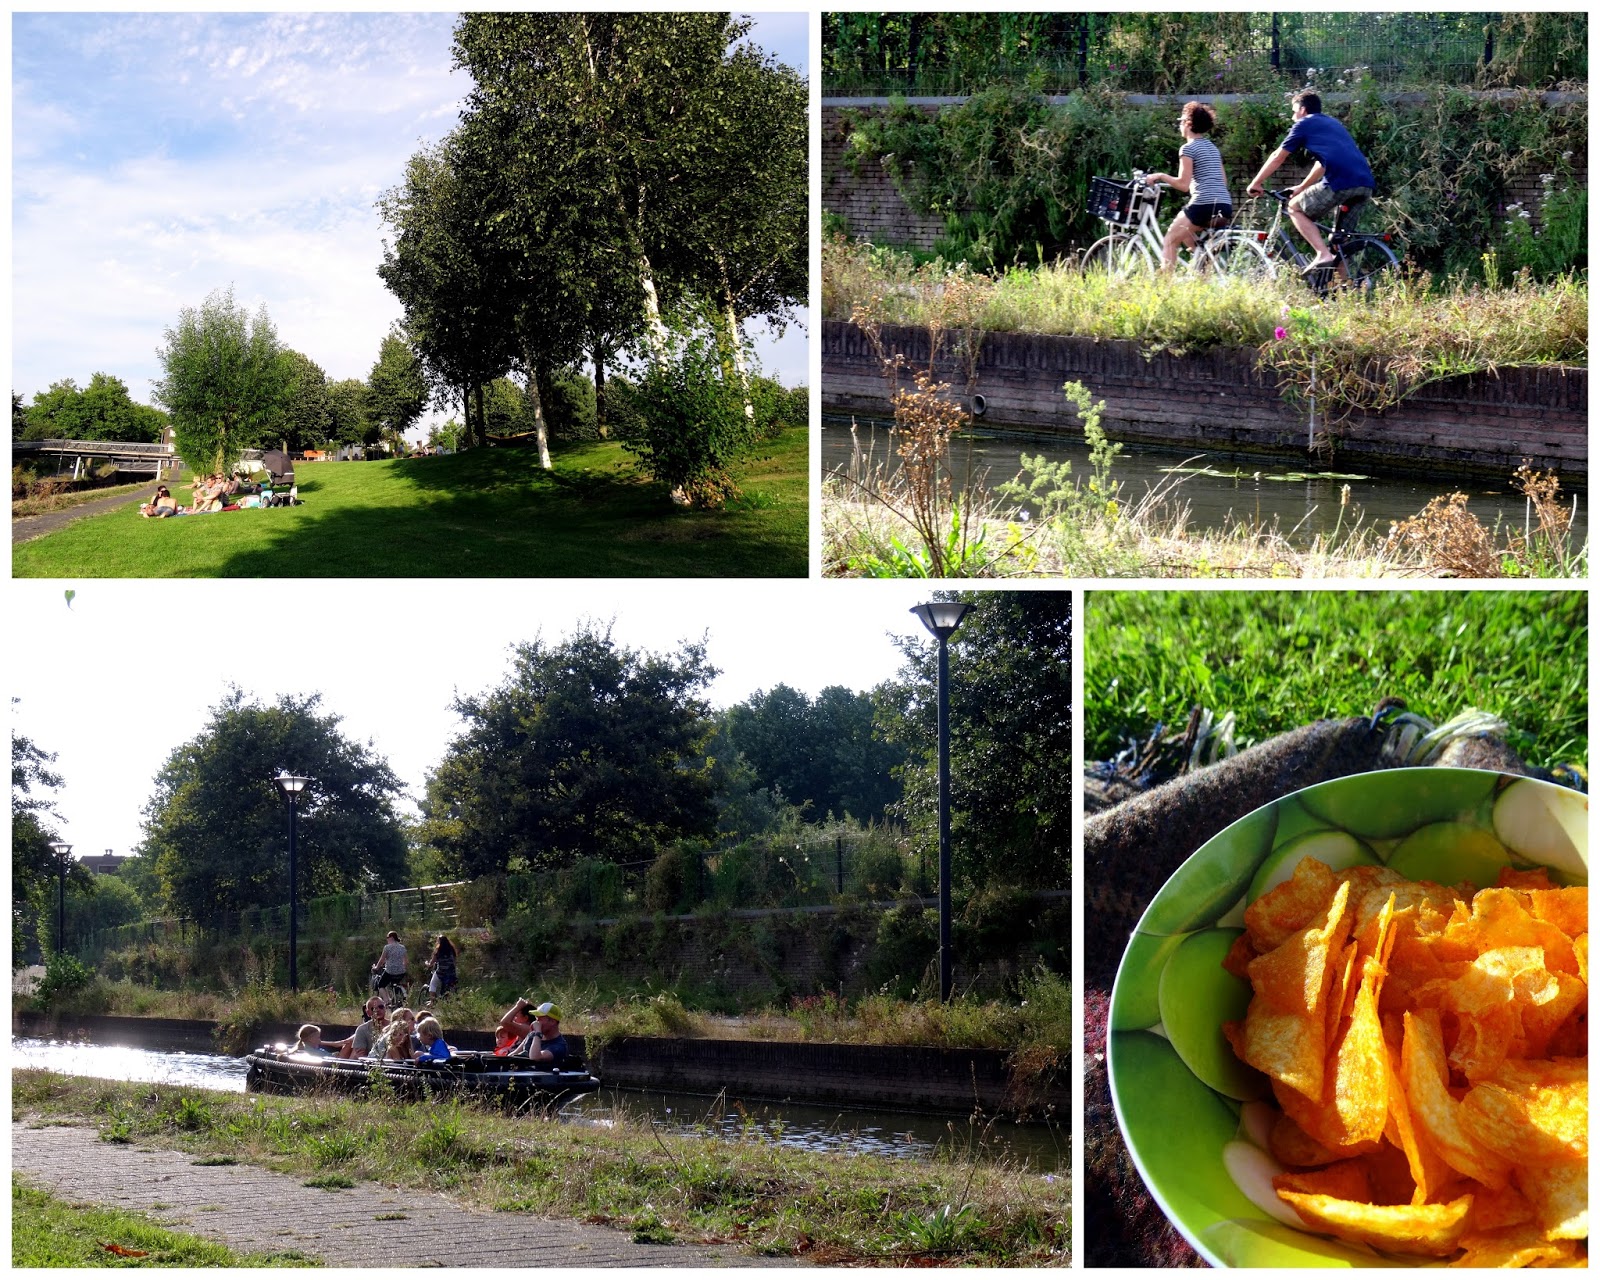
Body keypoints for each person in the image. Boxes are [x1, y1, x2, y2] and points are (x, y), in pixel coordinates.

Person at [1247, 90, 1376, 273]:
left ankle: (1321, 254)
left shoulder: (1304, 124)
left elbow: (1278, 156)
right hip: (1365, 184)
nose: (1292, 116)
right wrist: (1302, 187)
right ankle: (1347, 289)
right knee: (1340, 244)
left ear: (1302, 110)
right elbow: (1321, 165)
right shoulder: (1333, 123)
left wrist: (1256, 182)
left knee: (1294, 207)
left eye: (1293, 111)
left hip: (1340, 181)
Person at [1142, 101, 1233, 270]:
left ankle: (1165, 287)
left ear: (1188, 124)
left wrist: (1160, 176)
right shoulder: (1213, 148)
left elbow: (1183, 185)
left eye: (1181, 121)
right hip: (1224, 204)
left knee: (1170, 239)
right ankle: (1201, 266)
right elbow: (1223, 181)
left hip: (1203, 204)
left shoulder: (1188, 149)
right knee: (1184, 228)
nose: (1179, 125)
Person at [509, 1002, 569, 1067]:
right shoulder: (532, 1036)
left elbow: (535, 1057)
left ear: (552, 1022)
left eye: (539, 1019)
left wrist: (538, 1033)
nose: (536, 1023)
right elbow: (512, 1056)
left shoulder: (559, 1046)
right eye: (536, 1019)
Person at [372, 930, 409, 999]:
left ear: (391, 938)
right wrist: (401, 967)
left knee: (381, 985)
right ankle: (397, 996)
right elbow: (406, 962)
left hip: (390, 972)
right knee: (395, 983)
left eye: (387, 937)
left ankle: (386, 1001)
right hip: (401, 972)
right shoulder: (402, 947)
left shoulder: (387, 947)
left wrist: (376, 967)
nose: (387, 939)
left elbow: (382, 960)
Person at [427, 934, 458, 998]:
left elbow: (431, 963)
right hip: (452, 973)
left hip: (441, 973)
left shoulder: (438, 951)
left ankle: (432, 1002)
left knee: (433, 984)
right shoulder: (452, 951)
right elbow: (454, 961)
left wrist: (427, 963)